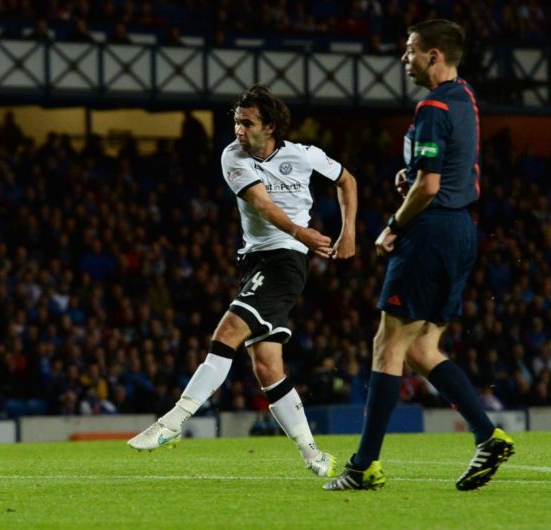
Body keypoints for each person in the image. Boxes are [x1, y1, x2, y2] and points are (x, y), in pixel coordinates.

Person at [128, 83, 358, 478]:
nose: (238, 129)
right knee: (267, 365)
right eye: (236, 121)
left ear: (270, 126)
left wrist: (348, 231)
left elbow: (346, 180)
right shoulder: (233, 156)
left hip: (286, 261)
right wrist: (303, 231)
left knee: (229, 329)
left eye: (246, 122)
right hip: (256, 260)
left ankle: (172, 422)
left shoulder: (304, 155)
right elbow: (262, 205)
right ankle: (314, 456)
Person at [324, 19, 514, 491]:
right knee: (422, 349)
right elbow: (438, 171)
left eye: (410, 50)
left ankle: (363, 465)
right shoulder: (464, 97)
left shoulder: (431, 105)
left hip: (429, 232)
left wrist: (393, 225)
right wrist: (411, 175)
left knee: (386, 346)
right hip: (461, 230)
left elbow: (429, 186)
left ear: (434, 55)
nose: (403, 58)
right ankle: (487, 435)